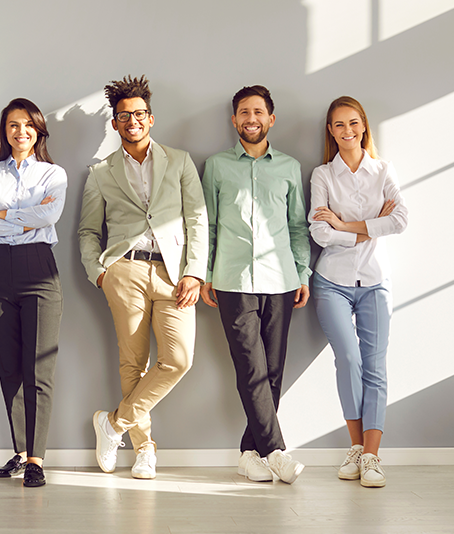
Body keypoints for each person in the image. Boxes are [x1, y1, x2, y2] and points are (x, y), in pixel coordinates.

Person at [78, 75, 207, 480]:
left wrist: (195, 273)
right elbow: (87, 231)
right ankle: (144, 450)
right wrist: (99, 272)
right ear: (115, 124)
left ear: (150, 118)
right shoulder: (100, 172)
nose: (131, 120)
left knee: (178, 359)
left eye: (138, 114)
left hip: (174, 274)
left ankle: (113, 423)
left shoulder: (180, 161)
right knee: (132, 362)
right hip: (125, 270)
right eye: (123, 116)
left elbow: (197, 219)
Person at [201, 85, 310, 484]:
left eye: (258, 112)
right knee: (250, 366)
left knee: (274, 370)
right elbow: (208, 224)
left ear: (270, 119)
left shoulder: (289, 167)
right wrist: (207, 274)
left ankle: (250, 451)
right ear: (234, 120)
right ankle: (277, 451)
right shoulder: (215, 166)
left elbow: (298, 226)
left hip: (281, 279)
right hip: (232, 280)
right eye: (244, 112)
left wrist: (302, 273)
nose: (251, 118)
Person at [309, 96, 408, 488]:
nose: (347, 131)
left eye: (353, 123)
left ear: (363, 126)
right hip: (331, 281)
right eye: (338, 125)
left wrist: (346, 224)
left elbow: (400, 220)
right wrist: (369, 225)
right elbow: (319, 231)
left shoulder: (383, 170)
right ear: (331, 131)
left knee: (376, 367)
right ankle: (355, 449)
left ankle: (372, 457)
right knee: (349, 360)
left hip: (375, 281)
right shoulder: (322, 175)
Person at [0, 98, 66, 488]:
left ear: (38, 130)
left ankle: (36, 461)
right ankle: (22, 450)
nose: (20, 131)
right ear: (4, 130)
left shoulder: (53, 173)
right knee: (8, 366)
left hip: (39, 269)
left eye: (27, 125)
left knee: (38, 368)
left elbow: (49, 216)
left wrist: (2, 217)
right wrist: (23, 220)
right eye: (12, 124)